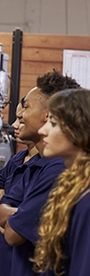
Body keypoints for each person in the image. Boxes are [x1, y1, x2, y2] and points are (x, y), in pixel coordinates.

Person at [0, 70, 80, 276]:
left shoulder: (58, 170)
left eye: (26, 107)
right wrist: (18, 213)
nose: (20, 115)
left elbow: (13, 233)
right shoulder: (32, 162)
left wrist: (14, 214)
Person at [31, 88, 90, 276]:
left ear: (79, 130)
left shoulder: (86, 201)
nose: (42, 130)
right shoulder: (71, 184)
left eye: (53, 123)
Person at [0, 97, 39, 276]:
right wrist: (5, 210)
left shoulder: (49, 166)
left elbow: (23, 225)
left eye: (21, 119)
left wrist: (1, 209)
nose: (14, 124)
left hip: (23, 262)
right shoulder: (17, 160)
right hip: (0, 258)